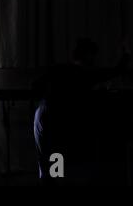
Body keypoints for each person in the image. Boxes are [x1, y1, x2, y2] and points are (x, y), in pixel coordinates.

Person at [33, 38, 131, 184]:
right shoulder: (85, 74)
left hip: (41, 113)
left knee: (46, 158)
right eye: (94, 57)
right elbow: (116, 70)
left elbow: (35, 85)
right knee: (58, 157)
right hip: (56, 117)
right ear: (89, 56)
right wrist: (127, 52)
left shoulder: (58, 69)